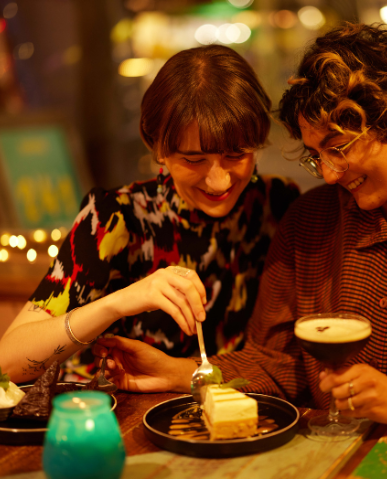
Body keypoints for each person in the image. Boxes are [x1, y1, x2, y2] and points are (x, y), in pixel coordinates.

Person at [94, 23, 387, 431]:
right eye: (315, 156)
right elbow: (278, 363)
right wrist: (178, 372)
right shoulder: (310, 219)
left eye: (338, 149)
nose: (328, 174)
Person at [0, 45, 299, 383]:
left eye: (237, 154)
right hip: (105, 409)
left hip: (229, 403)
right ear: (157, 147)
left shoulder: (277, 203)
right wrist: (118, 302)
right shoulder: (115, 217)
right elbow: (6, 362)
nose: (220, 181)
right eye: (194, 159)